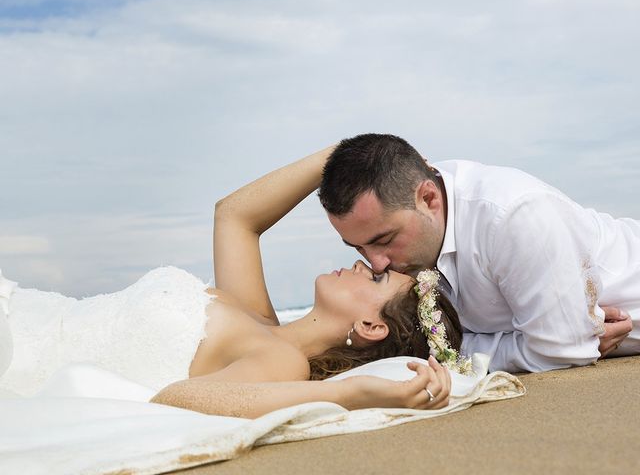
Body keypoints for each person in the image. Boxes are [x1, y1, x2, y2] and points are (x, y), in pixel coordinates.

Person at [148, 146, 470, 418]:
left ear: (370, 326)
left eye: (377, 277)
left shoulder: (283, 361)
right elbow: (233, 215)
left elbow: (173, 401)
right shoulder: (256, 318)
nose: (363, 263)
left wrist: (348, 394)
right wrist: (348, 157)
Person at [315, 134, 639, 373]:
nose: (376, 263)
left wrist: (458, 352)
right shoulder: (407, 219)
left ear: (428, 198)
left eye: (384, 239)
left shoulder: (511, 214)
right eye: (358, 247)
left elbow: (563, 352)